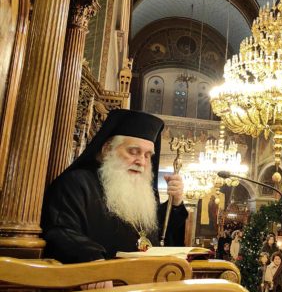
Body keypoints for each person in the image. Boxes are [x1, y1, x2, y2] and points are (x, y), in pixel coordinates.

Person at [42, 109, 187, 267]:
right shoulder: (76, 183)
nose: (142, 162)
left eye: (147, 155)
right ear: (107, 150)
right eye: (133, 152)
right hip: (101, 278)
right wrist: (94, 260)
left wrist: (175, 204)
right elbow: (61, 232)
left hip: (147, 277)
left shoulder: (142, 191)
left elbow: (160, 235)